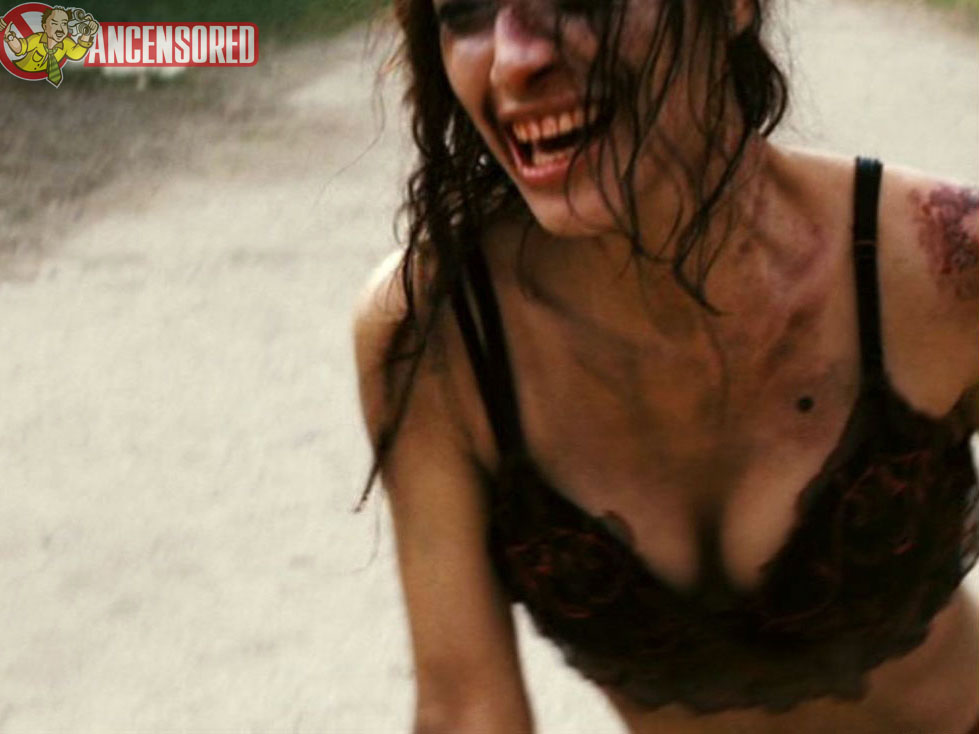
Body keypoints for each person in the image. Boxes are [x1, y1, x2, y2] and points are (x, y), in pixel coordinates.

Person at [352, 0, 979, 731]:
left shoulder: (943, 265)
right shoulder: (441, 333)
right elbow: (467, 709)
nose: (514, 59)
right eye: (465, 9)